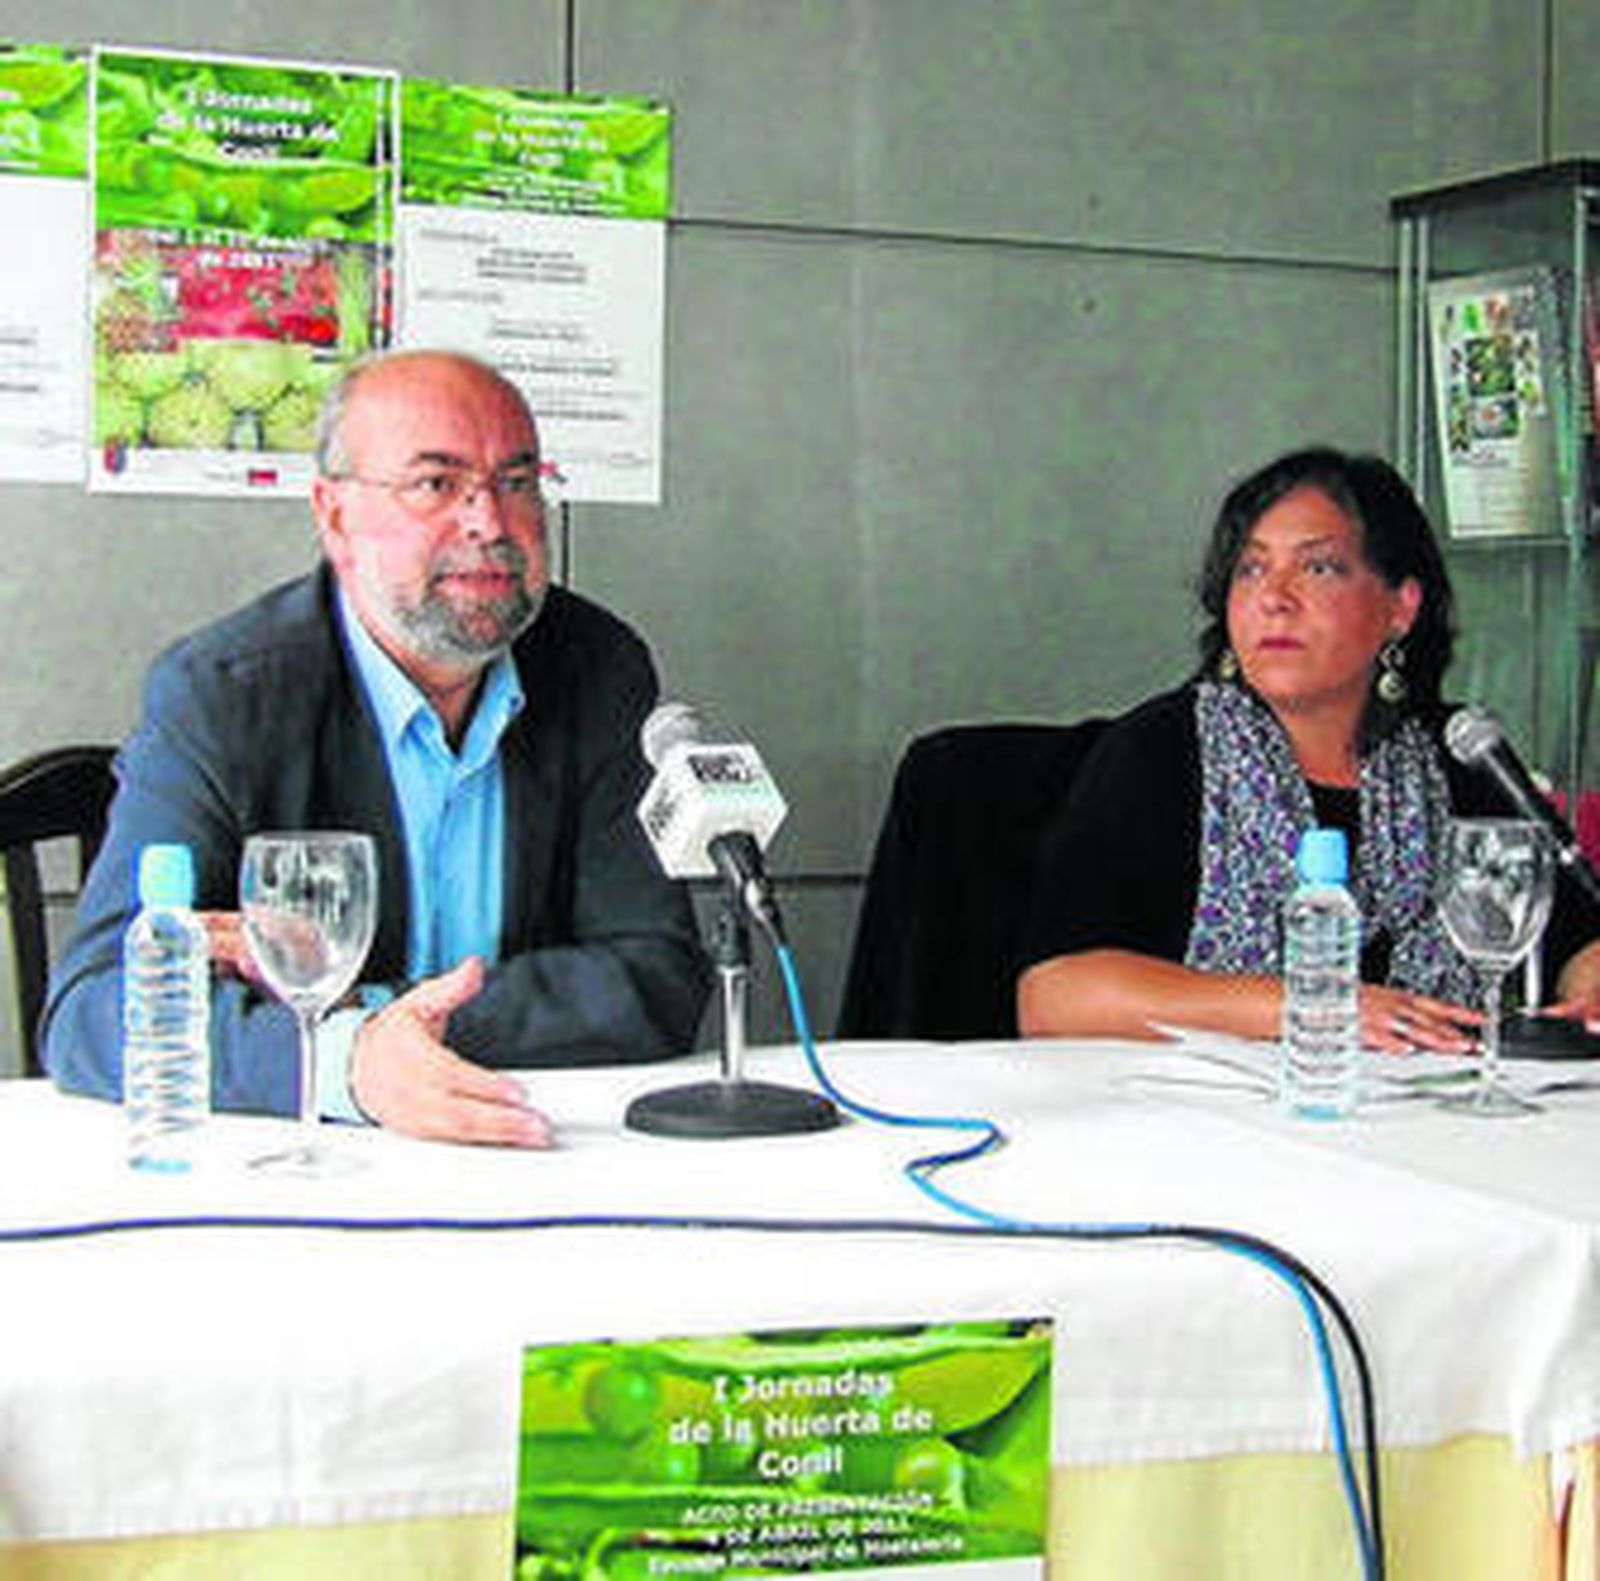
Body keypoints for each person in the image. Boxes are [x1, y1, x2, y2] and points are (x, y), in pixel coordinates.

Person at [43, 349, 711, 1146]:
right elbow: (97, 1001)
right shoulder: (225, 692)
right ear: (334, 517)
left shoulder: (595, 666)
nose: (490, 523)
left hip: (534, 1140)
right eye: (437, 484)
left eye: (518, 481)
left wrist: (372, 1025)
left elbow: (652, 977)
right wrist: (348, 1065)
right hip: (305, 1163)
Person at [1017, 445, 1600, 1051]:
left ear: (1401, 606)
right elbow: (1056, 994)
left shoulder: (1456, 756)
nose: (1275, 597)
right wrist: (1313, 1006)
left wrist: (1590, 987)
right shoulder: (1161, 751)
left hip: (1426, 1120)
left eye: (1318, 568)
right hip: (1205, 1122)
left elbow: (1576, 938)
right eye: (1251, 570)